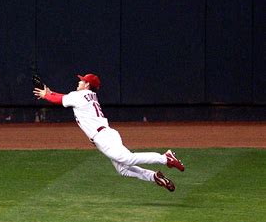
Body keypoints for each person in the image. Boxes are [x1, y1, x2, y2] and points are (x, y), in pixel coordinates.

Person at [33, 73, 184, 192]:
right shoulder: (86, 96)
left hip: (103, 137)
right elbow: (63, 97)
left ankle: (165, 158)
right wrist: (49, 92)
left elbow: (59, 100)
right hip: (106, 135)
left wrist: (46, 95)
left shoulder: (79, 95)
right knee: (123, 169)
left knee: (127, 159)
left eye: (82, 80)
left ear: (87, 85)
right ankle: (154, 177)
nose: (79, 82)